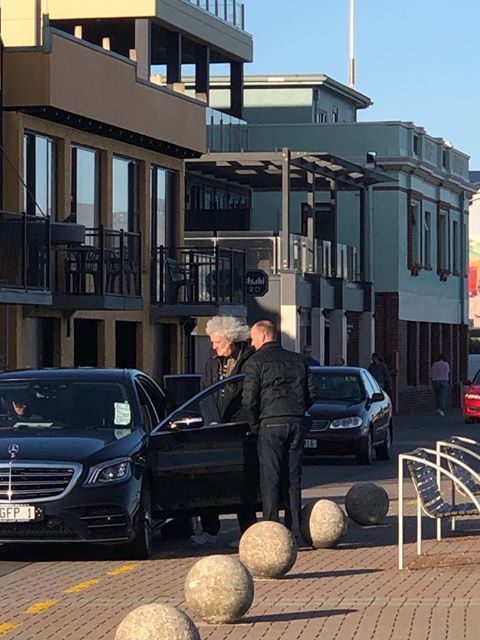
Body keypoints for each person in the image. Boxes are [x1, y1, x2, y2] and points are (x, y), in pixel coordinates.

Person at [242, 320, 318, 544]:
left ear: (264, 337)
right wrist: (297, 411)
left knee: (270, 478)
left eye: (254, 338)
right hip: (296, 422)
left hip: (270, 423)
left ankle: (272, 531)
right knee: (293, 477)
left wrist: (256, 424)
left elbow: (249, 401)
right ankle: (294, 530)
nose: (252, 343)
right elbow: (312, 394)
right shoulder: (299, 360)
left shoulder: (255, 362)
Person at [191, 315, 257, 545]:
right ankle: (210, 529)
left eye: (217, 342)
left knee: (242, 483)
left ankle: (247, 532)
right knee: (210, 480)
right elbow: (205, 393)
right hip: (214, 429)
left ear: (231, 340)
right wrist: (211, 421)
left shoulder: (249, 361)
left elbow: (248, 398)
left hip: (240, 431)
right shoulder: (211, 362)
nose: (213, 346)